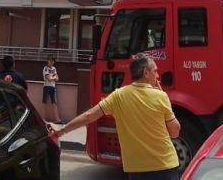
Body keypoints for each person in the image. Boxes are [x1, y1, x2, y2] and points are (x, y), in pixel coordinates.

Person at [50, 54, 181, 180]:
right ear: (146, 73)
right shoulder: (161, 96)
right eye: (155, 71)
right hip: (166, 166)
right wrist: (164, 98)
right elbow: (175, 132)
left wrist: (62, 131)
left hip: (137, 169)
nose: (157, 76)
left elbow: (89, 116)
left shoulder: (118, 96)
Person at [42, 55, 62, 123]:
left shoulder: (54, 68)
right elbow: (49, 79)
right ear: (47, 61)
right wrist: (54, 77)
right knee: (44, 102)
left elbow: (57, 78)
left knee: (54, 102)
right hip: (46, 86)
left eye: (52, 61)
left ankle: (57, 119)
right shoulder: (45, 68)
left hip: (53, 87)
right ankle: (43, 118)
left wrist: (53, 78)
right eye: (50, 60)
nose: (51, 62)